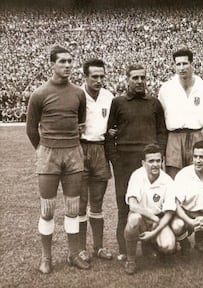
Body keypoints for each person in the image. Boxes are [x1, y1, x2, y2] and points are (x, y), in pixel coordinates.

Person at [26, 46, 90, 273]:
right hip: (49, 155)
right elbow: (31, 129)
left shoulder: (78, 93)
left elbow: (80, 124)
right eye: (62, 61)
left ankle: (73, 255)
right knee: (47, 209)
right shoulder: (39, 94)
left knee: (73, 208)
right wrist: (44, 150)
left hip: (73, 154)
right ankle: (46, 258)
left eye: (70, 61)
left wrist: (69, 147)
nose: (68, 65)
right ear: (52, 64)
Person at [105, 64, 168, 261]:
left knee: (151, 203)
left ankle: (150, 245)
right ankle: (124, 249)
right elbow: (109, 133)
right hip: (124, 162)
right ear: (127, 80)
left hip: (149, 161)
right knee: (125, 205)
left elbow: (162, 132)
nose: (139, 81)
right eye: (135, 78)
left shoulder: (154, 103)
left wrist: (160, 155)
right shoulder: (118, 103)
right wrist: (115, 159)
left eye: (142, 77)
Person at [77, 59, 113, 263]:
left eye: (102, 76)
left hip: (100, 149)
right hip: (80, 148)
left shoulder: (109, 96)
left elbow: (114, 124)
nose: (99, 80)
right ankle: (81, 248)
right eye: (94, 76)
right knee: (80, 203)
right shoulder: (76, 94)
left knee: (97, 202)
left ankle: (98, 246)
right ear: (85, 77)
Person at [158, 48, 203, 178]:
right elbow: (160, 118)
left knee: (196, 176)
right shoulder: (166, 88)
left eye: (185, 63)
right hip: (174, 137)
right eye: (178, 64)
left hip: (196, 135)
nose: (181, 68)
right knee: (173, 177)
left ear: (192, 64)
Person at [123, 144, 176, 275]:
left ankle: (153, 245)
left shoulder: (168, 181)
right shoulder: (136, 176)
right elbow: (133, 205)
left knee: (168, 246)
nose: (155, 164)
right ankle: (131, 260)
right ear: (143, 163)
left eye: (158, 161)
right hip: (142, 218)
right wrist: (154, 218)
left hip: (158, 219)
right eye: (151, 161)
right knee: (134, 219)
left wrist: (154, 231)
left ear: (162, 161)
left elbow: (169, 213)